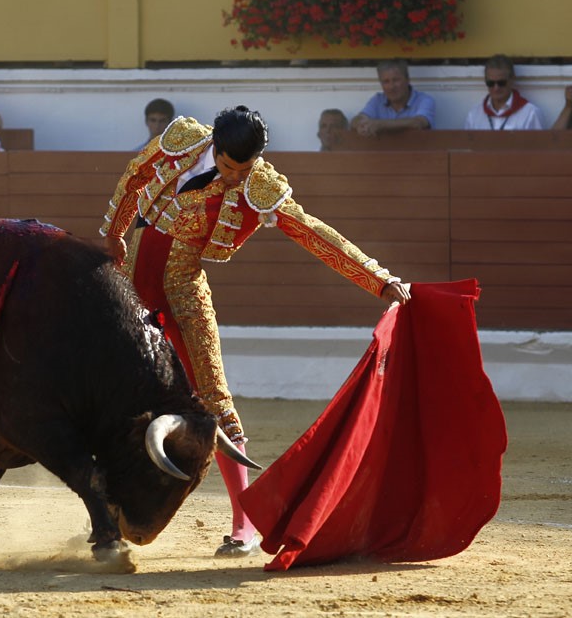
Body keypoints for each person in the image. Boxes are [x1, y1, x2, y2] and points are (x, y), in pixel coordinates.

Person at [99, 106, 410, 558]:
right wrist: (114, 232)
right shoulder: (183, 138)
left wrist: (377, 279)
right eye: (228, 167)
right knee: (111, 393)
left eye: (243, 170)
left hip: (182, 293)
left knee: (213, 397)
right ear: (214, 146)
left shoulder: (258, 184)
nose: (233, 178)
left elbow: (311, 232)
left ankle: (243, 524)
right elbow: (135, 174)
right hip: (131, 288)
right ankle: (105, 509)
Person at [350, 60, 435, 137]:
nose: (391, 87)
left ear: (407, 80)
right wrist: (360, 124)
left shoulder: (424, 100)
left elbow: (418, 122)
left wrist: (381, 124)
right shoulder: (378, 100)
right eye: (386, 82)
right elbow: (358, 119)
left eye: (396, 80)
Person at [464, 54, 544, 131]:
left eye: (501, 83)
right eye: (490, 83)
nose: (496, 88)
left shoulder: (530, 114)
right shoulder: (474, 115)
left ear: (512, 79)